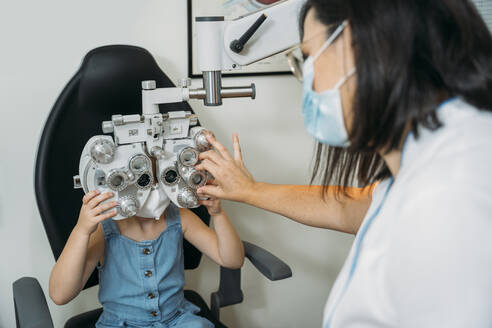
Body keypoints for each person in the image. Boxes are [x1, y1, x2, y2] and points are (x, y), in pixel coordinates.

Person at [194, 0, 492, 327]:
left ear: (360, 49)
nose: (307, 80)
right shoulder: (435, 153)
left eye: (308, 58)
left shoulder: (453, 195)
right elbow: (352, 208)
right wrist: (251, 190)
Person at [49, 158, 244, 328]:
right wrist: (82, 231)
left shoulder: (180, 217)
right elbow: (60, 294)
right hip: (120, 323)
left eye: (163, 177)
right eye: (144, 180)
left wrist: (217, 213)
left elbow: (232, 260)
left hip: (178, 319)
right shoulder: (105, 228)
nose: (154, 188)